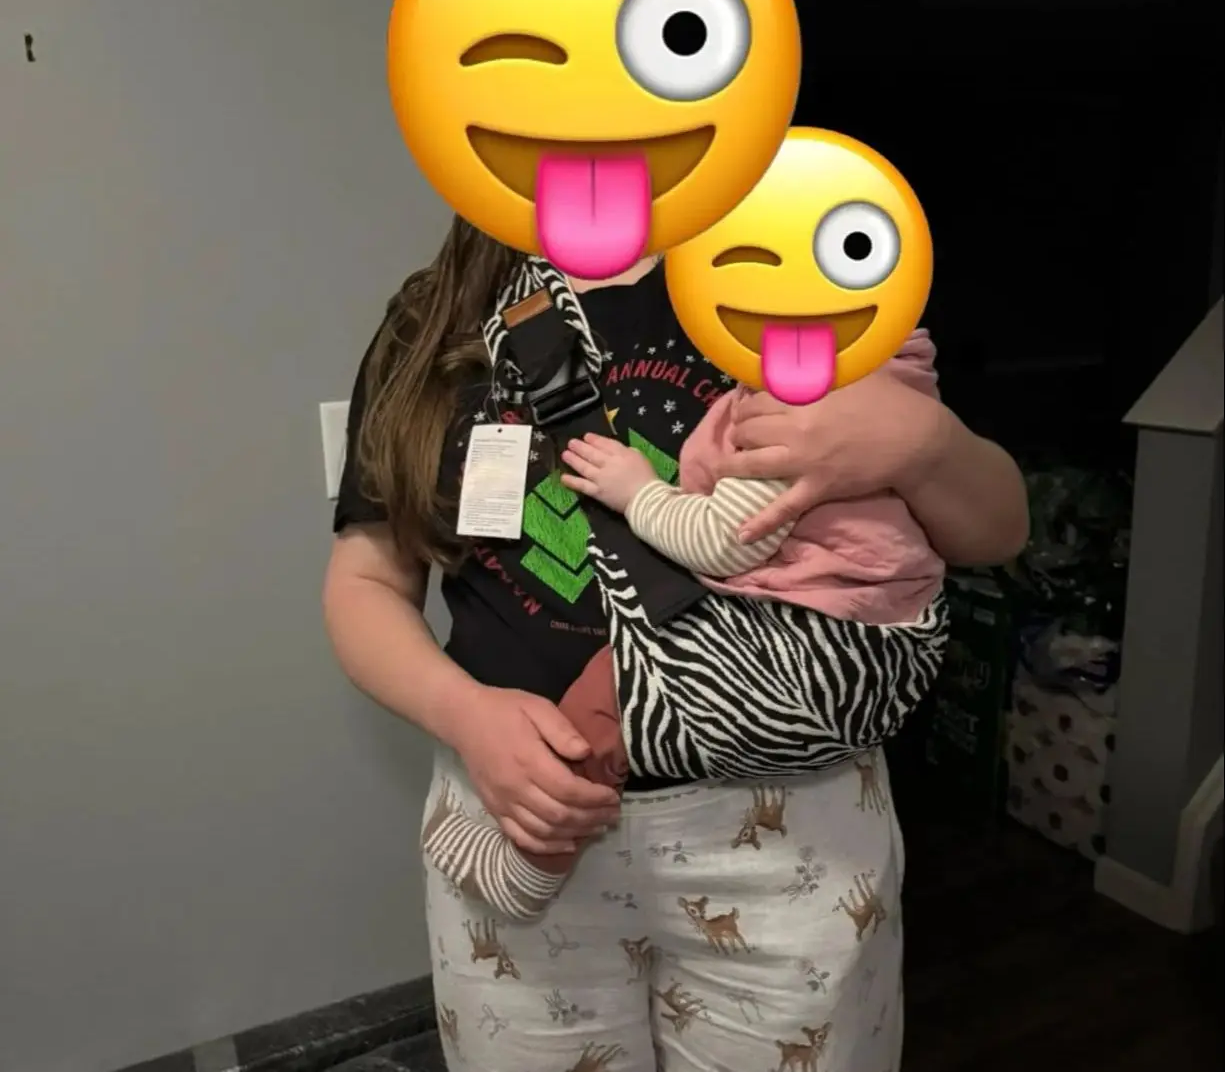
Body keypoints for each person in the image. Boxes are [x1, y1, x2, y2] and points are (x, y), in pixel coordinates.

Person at [323, 216, 1029, 1072]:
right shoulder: (434, 320)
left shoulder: (793, 272)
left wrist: (924, 444)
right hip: (518, 813)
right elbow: (364, 584)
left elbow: (997, 531)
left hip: (789, 831)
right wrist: (464, 714)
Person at [421, 329, 950, 922]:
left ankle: (527, 870)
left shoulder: (809, 403)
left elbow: (726, 540)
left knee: (599, 713)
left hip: (800, 647)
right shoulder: (892, 374)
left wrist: (637, 492)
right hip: (860, 633)